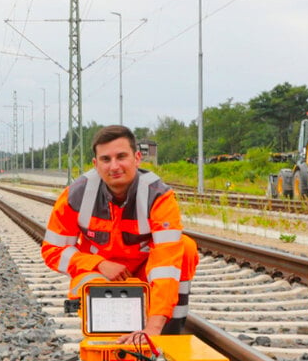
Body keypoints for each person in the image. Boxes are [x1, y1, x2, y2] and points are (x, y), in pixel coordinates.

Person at [42, 125, 198, 342]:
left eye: (121, 157)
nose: (114, 166)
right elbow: (53, 250)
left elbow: (166, 262)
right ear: (96, 164)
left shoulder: (158, 196)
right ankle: (108, 348)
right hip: (100, 274)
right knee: (95, 286)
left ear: (137, 158)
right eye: (106, 159)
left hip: (144, 275)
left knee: (186, 247)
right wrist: (98, 263)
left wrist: (154, 327)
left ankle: (169, 336)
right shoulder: (77, 195)